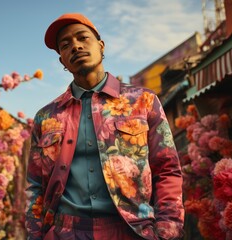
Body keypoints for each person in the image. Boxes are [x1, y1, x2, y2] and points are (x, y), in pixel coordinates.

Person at [25, 13, 184, 240]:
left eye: (83, 38)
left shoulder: (143, 101)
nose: (76, 47)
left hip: (132, 229)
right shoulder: (46, 117)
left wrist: (168, 229)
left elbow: (167, 168)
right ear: (62, 60)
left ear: (101, 46)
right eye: (66, 45)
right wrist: (35, 235)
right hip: (64, 231)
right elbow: (34, 186)